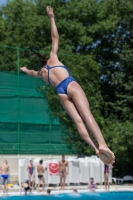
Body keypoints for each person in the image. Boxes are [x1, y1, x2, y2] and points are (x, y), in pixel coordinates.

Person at [20, 6, 115, 165]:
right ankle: (102, 144)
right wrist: (51, 18)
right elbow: (55, 37)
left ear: (40, 64)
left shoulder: (42, 74)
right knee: (86, 115)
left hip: (60, 92)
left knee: (78, 121)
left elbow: (32, 72)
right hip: (69, 84)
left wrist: (24, 70)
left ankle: (94, 148)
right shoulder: (53, 58)